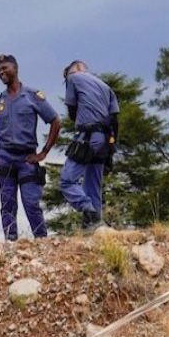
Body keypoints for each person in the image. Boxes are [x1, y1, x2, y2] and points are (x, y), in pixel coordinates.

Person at [0, 54, 62, 242]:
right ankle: (11, 243)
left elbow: (55, 121)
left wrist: (44, 152)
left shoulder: (32, 96)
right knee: (7, 205)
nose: (1, 72)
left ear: (16, 68)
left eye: (5, 68)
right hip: (4, 158)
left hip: (27, 158)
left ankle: (41, 241)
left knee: (31, 203)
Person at [60, 60, 119, 234]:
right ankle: (95, 229)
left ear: (75, 69)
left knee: (67, 180)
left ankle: (88, 211)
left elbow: (72, 110)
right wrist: (110, 156)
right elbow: (115, 122)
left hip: (88, 136)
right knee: (93, 185)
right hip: (104, 139)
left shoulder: (73, 78)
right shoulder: (107, 88)